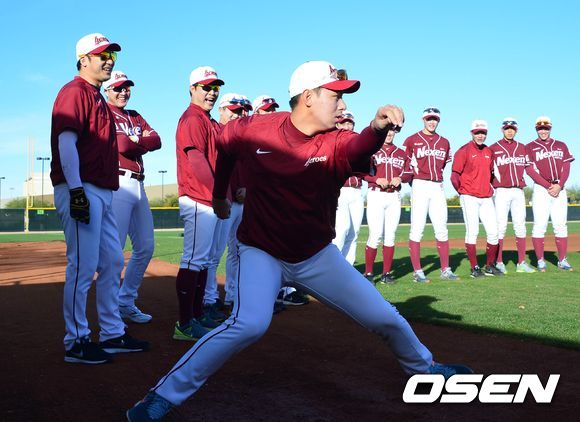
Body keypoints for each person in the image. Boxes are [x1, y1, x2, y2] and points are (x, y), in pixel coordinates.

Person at [127, 60, 472, 421]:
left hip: (316, 256)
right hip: (261, 251)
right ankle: (161, 396)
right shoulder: (253, 128)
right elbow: (225, 149)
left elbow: (359, 148)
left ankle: (426, 369)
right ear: (308, 97)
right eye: (335, 96)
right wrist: (218, 193)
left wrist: (375, 127)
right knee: (249, 324)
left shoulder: (337, 141)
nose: (342, 105)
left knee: (384, 317)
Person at [51, 33, 149, 365]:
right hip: (83, 188)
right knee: (82, 266)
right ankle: (76, 341)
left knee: (112, 262)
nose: (108, 60)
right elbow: (66, 142)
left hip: (105, 191)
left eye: (112, 56)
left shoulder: (96, 97)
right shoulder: (75, 91)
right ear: (83, 60)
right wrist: (76, 189)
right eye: (102, 55)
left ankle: (111, 332)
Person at [104, 71, 162, 324]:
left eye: (126, 87)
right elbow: (123, 146)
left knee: (146, 247)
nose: (123, 92)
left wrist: (134, 139)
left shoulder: (135, 115)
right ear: (107, 90)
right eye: (118, 88)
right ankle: (109, 312)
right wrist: (139, 140)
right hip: (118, 184)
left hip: (139, 184)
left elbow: (157, 140)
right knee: (114, 251)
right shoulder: (104, 112)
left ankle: (125, 301)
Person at [173, 66, 225, 341]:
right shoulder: (193, 118)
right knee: (193, 260)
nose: (212, 92)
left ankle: (197, 314)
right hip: (197, 197)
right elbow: (196, 160)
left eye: (215, 87)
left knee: (202, 260)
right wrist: (218, 195)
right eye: (206, 87)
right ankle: (184, 323)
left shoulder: (208, 120)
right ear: (192, 88)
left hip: (207, 198)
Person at [203, 93, 252, 324]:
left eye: (240, 111)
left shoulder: (242, 138)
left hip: (241, 201)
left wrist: (247, 187)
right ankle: (209, 299)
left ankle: (232, 296)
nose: (237, 115)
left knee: (237, 252)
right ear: (221, 110)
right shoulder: (216, 132)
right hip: (224, 200)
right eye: (232, 111)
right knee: (214, 253)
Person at [403, 107, 459, 282]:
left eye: (434, 119)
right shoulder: (412, 140)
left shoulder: (445, 142)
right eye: (429, 119)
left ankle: (445, 269)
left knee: (441, 228)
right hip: (420, 184)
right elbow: (406, 164)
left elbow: (443, 165)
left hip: (437, 186)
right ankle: (417, 271)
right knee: (417, 228)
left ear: (438, 121)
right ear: (423, 120)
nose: (432, 122)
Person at [451, 120, 503, 278]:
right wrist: (462, 192)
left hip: (486, 197)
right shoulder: (463, 150)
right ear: (472, 133)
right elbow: (454, 176)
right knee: (472, 232)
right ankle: (474, 268)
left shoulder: (489, 151)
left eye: (483, 133)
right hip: (469, 197)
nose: (480, 136)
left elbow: (491, 174)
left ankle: (489, 265)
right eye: (477, 133)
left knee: (494, 232)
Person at [525, 116, 575, 272]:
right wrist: (548, 186)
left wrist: (559, 185)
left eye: (546, 128)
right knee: (539, 226)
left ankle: (562, 260)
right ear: (536, 129)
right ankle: (540, 260)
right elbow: (530, 170)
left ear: (550, 129)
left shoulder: (561, 145)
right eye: (540, 128)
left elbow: (566, 167)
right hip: (542, 189)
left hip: (559, 188)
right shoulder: (530, 147)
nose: (543, 131)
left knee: (561, 225)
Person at [363, 129, 411, 284]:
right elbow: (362, 173)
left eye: (392, 131)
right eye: (387, 130)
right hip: (376, 194)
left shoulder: (401, 153)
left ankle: (386, 274)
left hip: (394, 196)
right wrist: (376, 179)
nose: (389, 134)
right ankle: (369, 273)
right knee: (375, 234)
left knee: (390, 235)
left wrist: (400, 178)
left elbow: (409, 173)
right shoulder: (371, 150)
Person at [489, 118, 535, 274]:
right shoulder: (493, 148)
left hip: (518, 191)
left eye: (512, 129)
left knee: (520, 226)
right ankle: (499, 262)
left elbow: (529, 168)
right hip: (501, 191)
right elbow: (487, 171)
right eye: (507, 128)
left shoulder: (522, 147)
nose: (509, 131)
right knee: (500, 227)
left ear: (516, 130)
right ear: (502, 130)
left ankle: (521, 262)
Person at [333, 111, 365, 266]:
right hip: (341, 190)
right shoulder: (333, 141)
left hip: (357, 191)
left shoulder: (358, 142)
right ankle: (334, 266)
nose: (347, 126)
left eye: (350, 123)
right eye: (344, 122)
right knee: (342, 230)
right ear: (338, 125)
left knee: (354, 232)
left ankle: (348, 267)